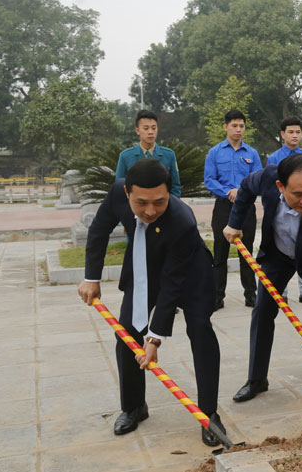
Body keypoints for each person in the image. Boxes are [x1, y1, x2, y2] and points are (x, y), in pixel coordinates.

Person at [77, 159, 225, 445]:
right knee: (126, 333)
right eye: (141, 202)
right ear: (127, 193)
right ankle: (134, 407)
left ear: (169, 193)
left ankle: (209, 414)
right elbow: (98, 231)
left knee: (200, 331)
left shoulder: (182, 219)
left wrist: (155, 339)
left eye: (159, 202)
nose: (150, 211)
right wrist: (91, 277)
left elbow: (172, 284)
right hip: (143, 267)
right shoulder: (116, 193)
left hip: (190, 272)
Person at [224, 154, 302, 413]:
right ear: (280, 186)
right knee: (262, 310)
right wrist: (234, 223)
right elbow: (245, 187)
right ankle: (257, 379)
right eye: (298, 194)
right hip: (278, 256)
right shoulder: (268, 178)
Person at [204, 110, 262, 310]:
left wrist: (241, 192)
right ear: (226, 127)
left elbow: (257, 179)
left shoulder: (252, 154)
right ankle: (217, 296)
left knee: (246, 253)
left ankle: (251, 295)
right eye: (234, 126)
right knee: (220, 254)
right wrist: (229, 192)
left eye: (241, 126)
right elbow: (209, 180)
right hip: (223, 206)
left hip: (246, 208)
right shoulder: (215, 153)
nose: (238, 130)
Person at [266, 116, 302, 306]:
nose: (295, 136)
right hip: (281, 210)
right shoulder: (274, 158)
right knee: (281, 251)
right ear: (282, 134)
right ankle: (282, 292)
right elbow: (270, 185)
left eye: (298, 132)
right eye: (291, 132)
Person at [116, 110, 182, 198]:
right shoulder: (125, 156)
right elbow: (119, 188)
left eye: (154, 128)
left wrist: (168, 204)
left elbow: (175, 187)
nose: (151, 132)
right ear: (137, 131)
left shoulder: (169, 155)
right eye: (146, 128)